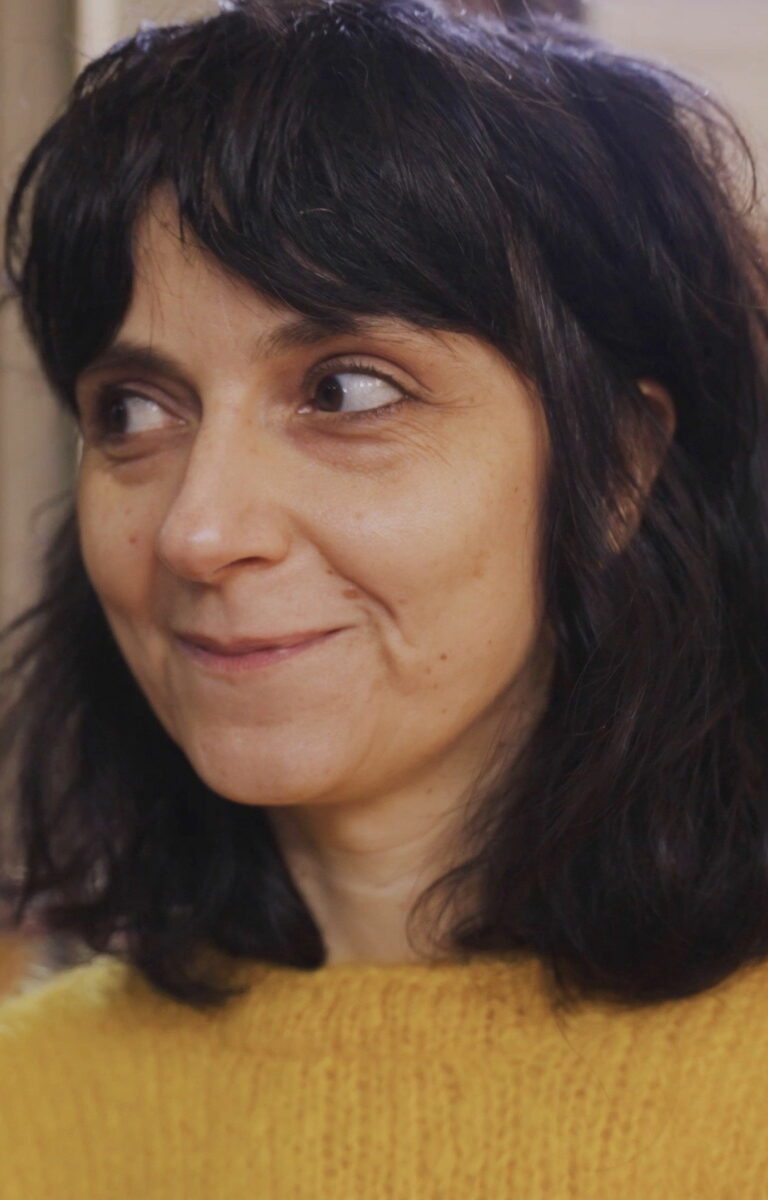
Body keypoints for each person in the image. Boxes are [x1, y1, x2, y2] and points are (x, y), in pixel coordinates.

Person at [1, 0, 768, 1194]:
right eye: (135, 411)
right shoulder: (32, 1103)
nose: (200, 531)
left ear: (620, 465)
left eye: (347, 392)